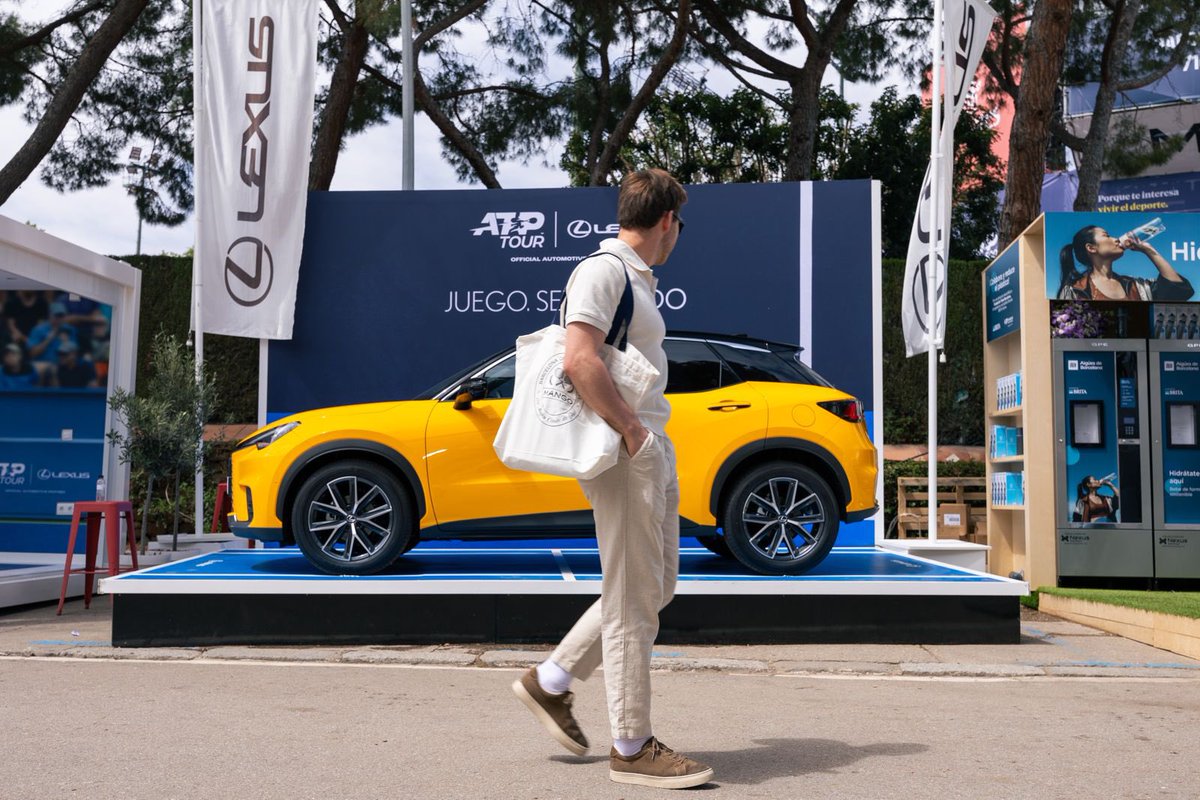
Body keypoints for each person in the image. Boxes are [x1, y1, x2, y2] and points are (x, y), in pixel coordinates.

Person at [510, 169, 713, 790]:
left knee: (656, 585)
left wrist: (645, 438)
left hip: (646, 447)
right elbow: (578, 358)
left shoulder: (635, 278)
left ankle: (550, 682)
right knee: (632, 598)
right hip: (626, 449)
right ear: (667, 221)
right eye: (679, 222)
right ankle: (631, 744)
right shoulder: (604, 271)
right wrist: (631, 430)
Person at [1057, 224, 1193, 301]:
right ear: (1091, 248)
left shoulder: (1137, 286)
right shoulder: (1075, 290)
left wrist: (1149, 251)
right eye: (1107, 235)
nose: (1116, 239)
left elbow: (1178, 291)